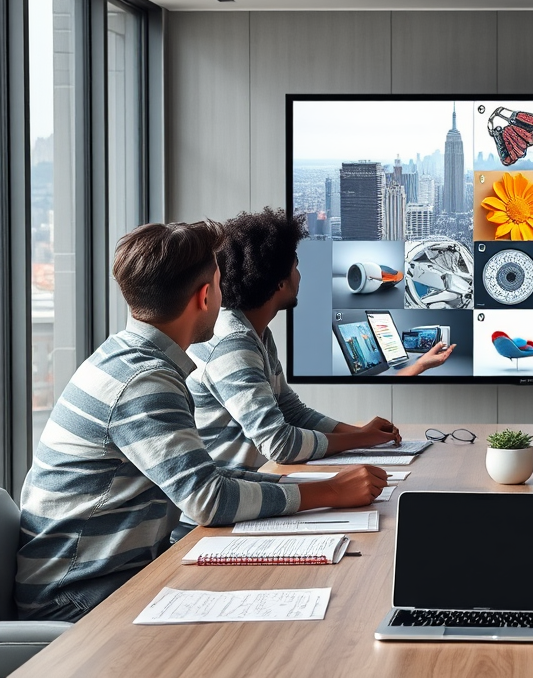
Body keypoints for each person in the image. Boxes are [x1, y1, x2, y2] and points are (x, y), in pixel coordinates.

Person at [16, 221, 387, 621]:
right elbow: (207, 499)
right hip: (77, 598)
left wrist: (314, 486)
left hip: (110, 577)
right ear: (206, 295)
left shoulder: (132, 360)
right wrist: (328, 493)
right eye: (220, 283)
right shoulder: (143, 382)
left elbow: (204, 475)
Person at [188, 208, 453, 477]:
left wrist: (361, 432)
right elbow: (280, 445)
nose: (300, 276)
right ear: (280, 284)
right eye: (296, 267)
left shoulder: (255, 333)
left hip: (254, 488)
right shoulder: (232, 345)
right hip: (227, 506)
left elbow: (292, 411)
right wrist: (362, 440)